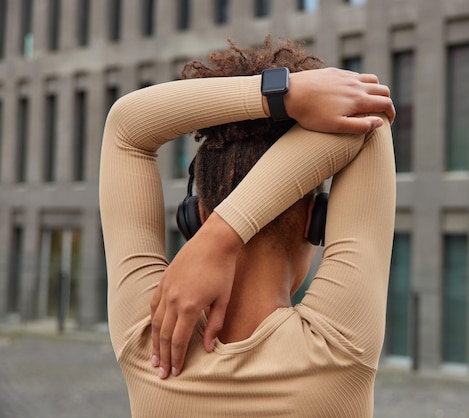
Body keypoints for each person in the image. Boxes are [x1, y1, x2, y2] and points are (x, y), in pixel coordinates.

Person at [100, 37, 396, 417]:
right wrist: (226, 232)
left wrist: (280, 96)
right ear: (313, 221)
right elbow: (370, 121)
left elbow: (127, 127)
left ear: (197, 215)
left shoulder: (147, 341)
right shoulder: (339, 348)